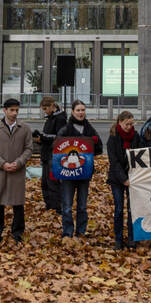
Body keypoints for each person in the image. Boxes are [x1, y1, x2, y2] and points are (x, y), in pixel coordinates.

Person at [0, 98, 34, 244]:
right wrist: (2, 164)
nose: (14, 113)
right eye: (11, 110)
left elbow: (29, 148)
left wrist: (19, 162)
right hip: (0, 171)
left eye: (16, 110)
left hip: (17, 171)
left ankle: (17, 232)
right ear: (4, 110)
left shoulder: (24, 128)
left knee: (18, 203)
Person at [56, 100, 103, 238]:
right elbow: (57, 150)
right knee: (67, 206)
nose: (81, 113)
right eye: (78, 110)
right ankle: (67, 232)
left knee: (82, 206)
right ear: (72, 111)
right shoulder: (65, 130)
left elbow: (99, 149)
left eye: (83, 110)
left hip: (84, 173)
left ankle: (81, 231)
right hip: (67, 174)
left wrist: (94, 143)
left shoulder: (90, 128)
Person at [106, 111, 136, 250]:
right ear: (120, 122)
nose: (129, 127)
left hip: (133, 177)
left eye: (131, 124)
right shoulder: (113, 138)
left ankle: (132, 238)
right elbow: (114, 161)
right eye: (126, 124)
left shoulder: (136, 136)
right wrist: (123, 179)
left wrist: (131, 176)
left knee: (132, 209)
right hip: (117, 179)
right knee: (119, 209)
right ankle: (118, 239)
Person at [32, 96, 67, 213]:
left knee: (53, 184)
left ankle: (56, 208)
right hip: (47, 154)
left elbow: (58, 137)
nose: (45, 111)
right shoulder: (51, 118)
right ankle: (50, 206)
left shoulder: (60, 119)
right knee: (45, 183)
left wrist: (42, 137)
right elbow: (49, 136)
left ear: (52, 106)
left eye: (45, 108)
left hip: (54, 155)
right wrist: (41, 139)